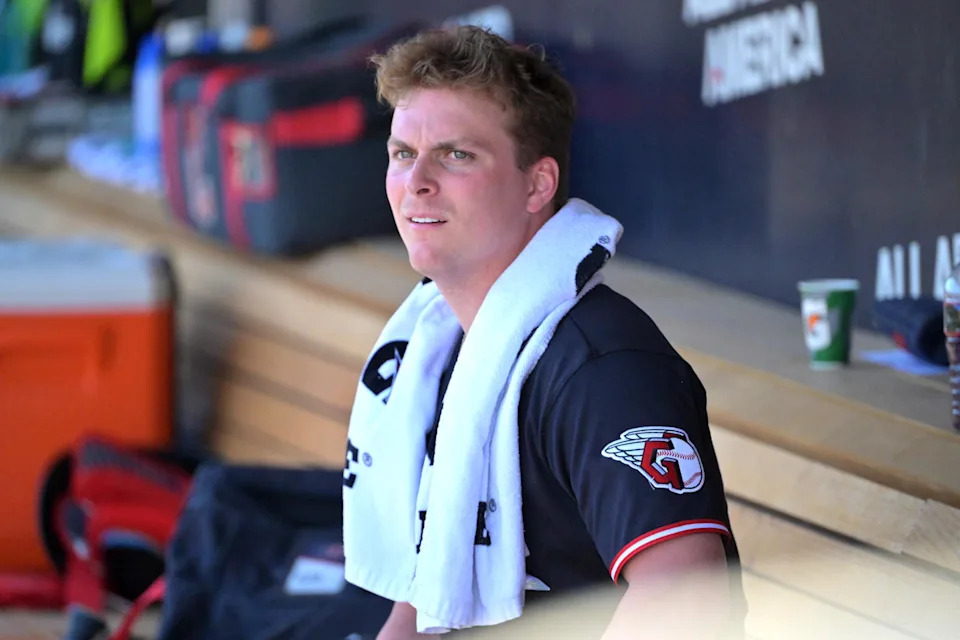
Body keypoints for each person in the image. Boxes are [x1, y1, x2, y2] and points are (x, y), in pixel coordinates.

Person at [342, 25, 743, 639]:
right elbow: (419, 603)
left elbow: (685, 600)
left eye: (456, 155)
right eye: (403, 153)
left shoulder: (602, 368)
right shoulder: (440, 349)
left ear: (538, 185)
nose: (416, 180)